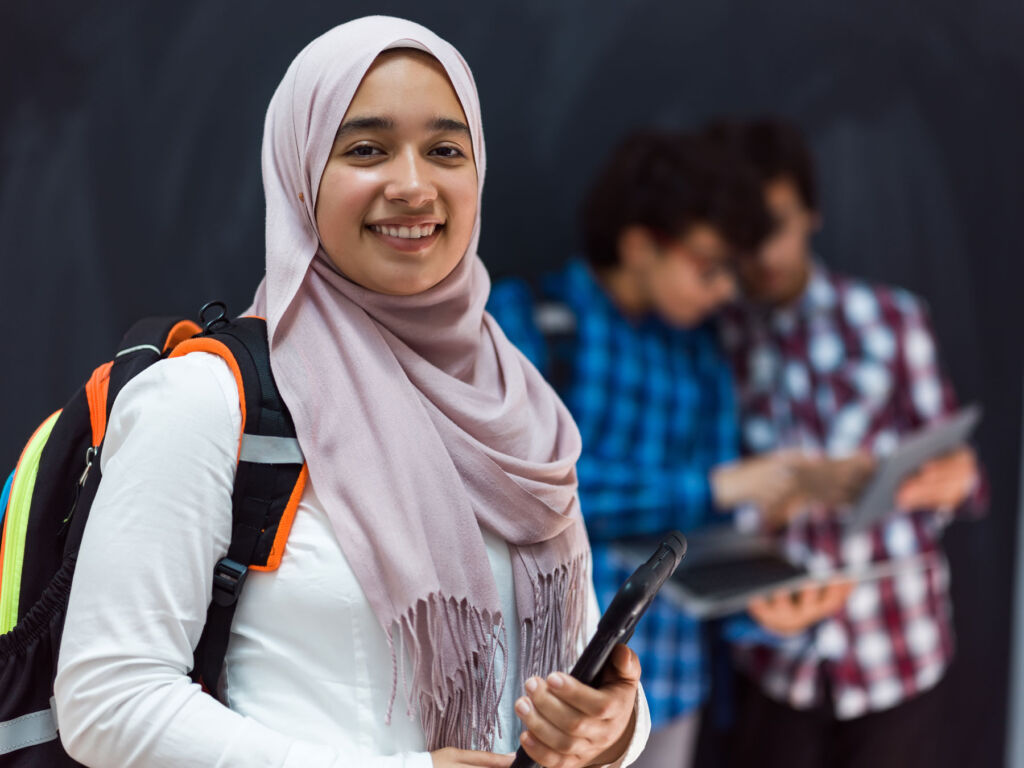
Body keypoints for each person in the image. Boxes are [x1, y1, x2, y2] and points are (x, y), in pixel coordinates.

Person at [53, 17, 651, 768]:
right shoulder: (209, 401)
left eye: (445, 150)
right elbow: (109, 701)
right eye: (366, 149)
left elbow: (567, 662)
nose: (412, 184)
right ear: (301, 173)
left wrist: (613, 730)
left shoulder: (516, 403)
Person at [488, 131, 851, 768]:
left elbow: (709, 539)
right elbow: (519, 493)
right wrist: (715, 485)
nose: (724, 292)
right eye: (709, 267)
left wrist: (762, 603)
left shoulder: (704, 357)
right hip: (537, 690)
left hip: (672, 688)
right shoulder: (527, 323)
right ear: (638, 244)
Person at [707, 116, 985, 768]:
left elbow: (963, 478)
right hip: (776, 660)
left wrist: (953, 477)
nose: (763, 253)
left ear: (812, 213)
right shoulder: (717, 338)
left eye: (775, 224)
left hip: (895, 644)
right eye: (744, 234)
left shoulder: (893, 320)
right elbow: (710, 495)